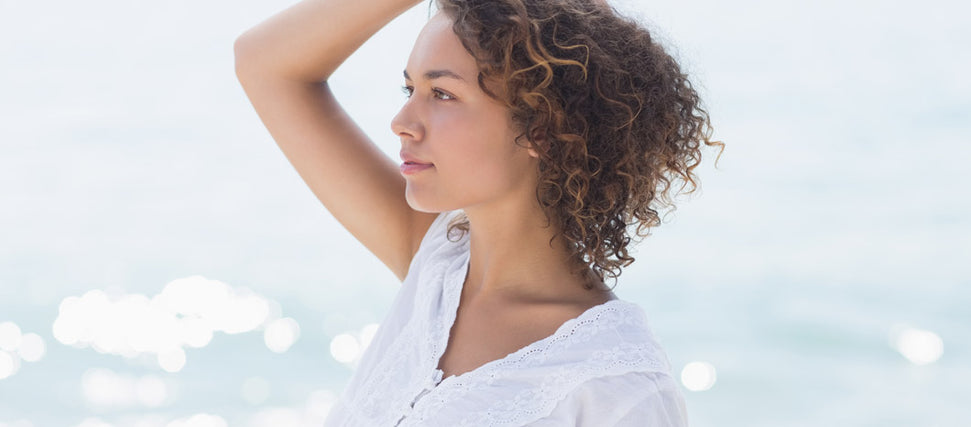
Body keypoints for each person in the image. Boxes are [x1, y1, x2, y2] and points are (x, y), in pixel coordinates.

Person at [234, 0, 721, 425]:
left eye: (442, 94)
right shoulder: (438, 262)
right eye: (410, 90)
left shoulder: (618, 391)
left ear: (543, 128)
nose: (402, 123)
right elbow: (265, 64)